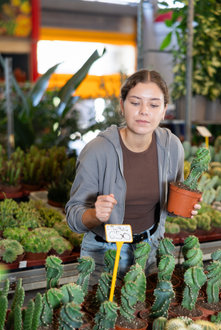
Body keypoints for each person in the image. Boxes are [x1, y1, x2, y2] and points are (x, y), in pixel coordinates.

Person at [65, 69, 201, 285]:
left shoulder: (171, 147)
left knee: (141, 314)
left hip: (150, 247)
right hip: (104, 251)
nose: (144, 111)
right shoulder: (97, 151)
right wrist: (95, 214)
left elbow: (168, 209)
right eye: (135, 102)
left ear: (164, 110)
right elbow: (73, 217)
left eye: (154, 105)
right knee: (103, 315)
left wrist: (185, 206)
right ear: (122, 106)